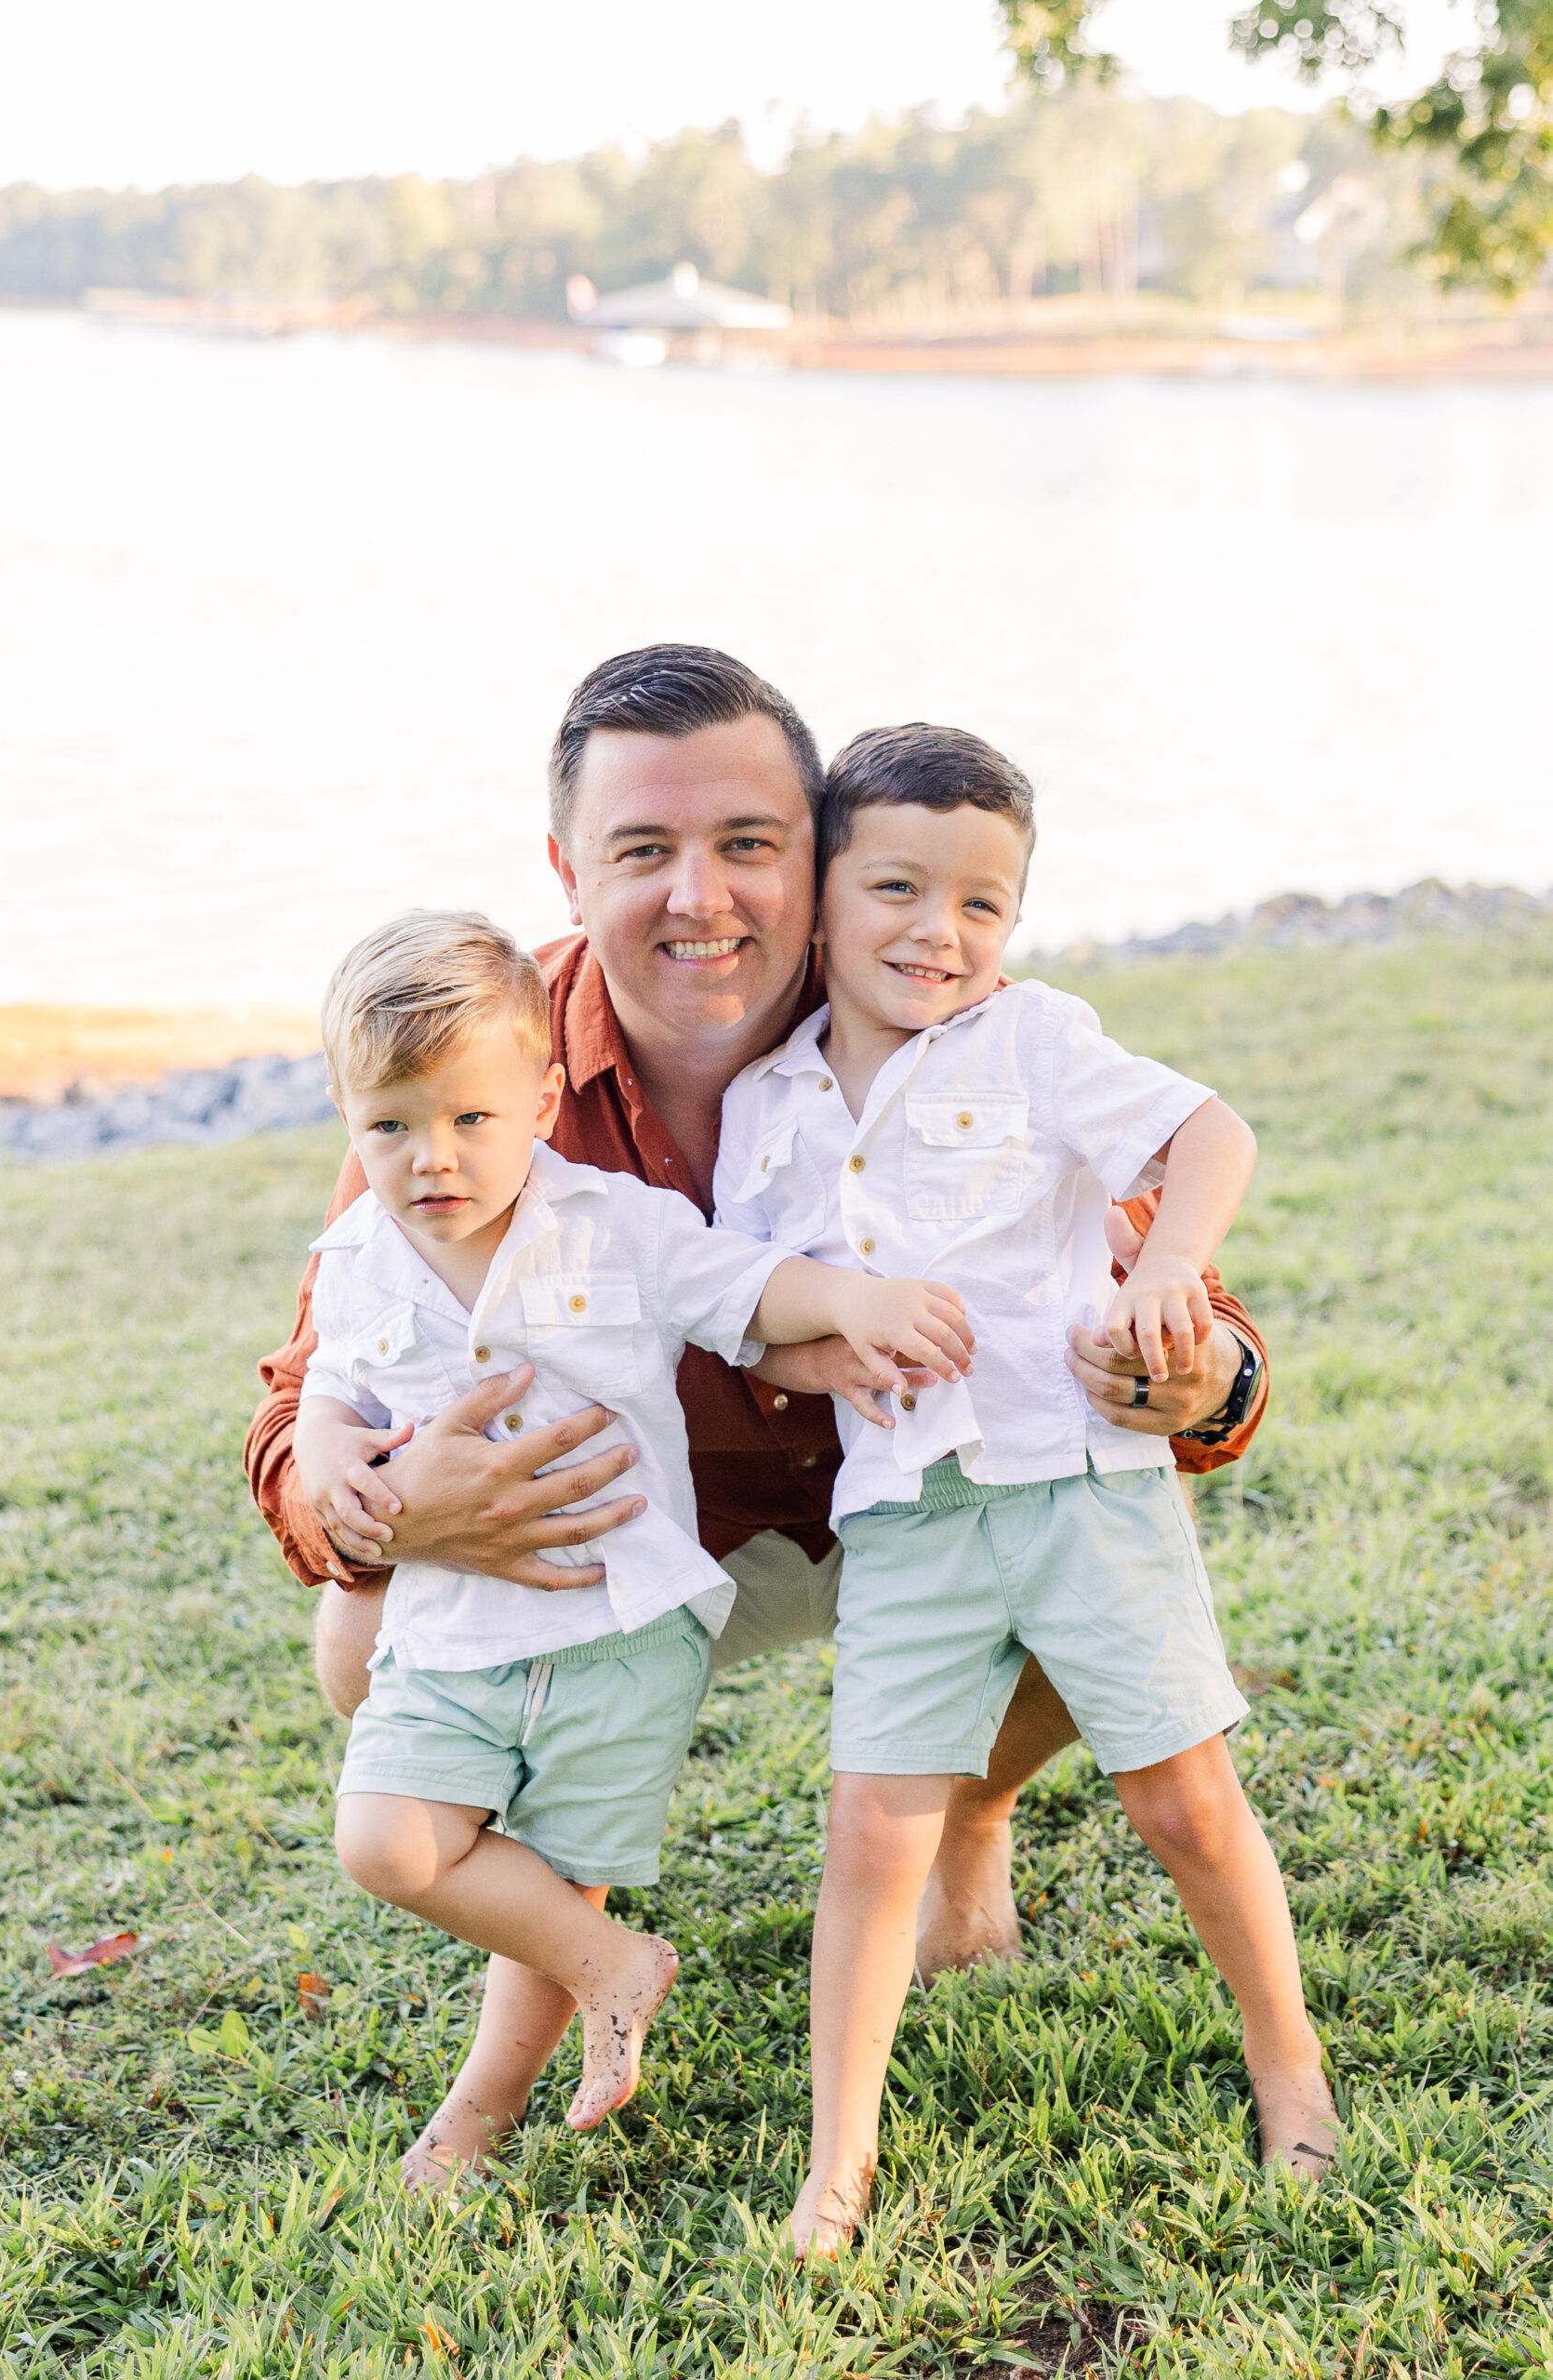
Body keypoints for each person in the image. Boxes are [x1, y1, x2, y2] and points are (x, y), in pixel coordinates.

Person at [245, 642, 1269, 2060]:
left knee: (1083, 1517)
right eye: (644, 848)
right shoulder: (476, 1070)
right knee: (360, 1634)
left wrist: (1202, 1376)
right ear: (568, 869)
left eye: (748, 845)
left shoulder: (931, 1006)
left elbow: (1186, 1294)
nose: (699, 897)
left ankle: (972, 1804)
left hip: (918, 1504)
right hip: (648, 1540)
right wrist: (353, 1493)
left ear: (824, 859)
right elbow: (307, 1391)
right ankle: (572, 1947)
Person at [713, 723, 1336, 2255]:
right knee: (874, 1830)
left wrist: (1172, 1269)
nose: (941, 932)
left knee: (1182, 1798)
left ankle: (1295, 2078)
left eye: (983, 904)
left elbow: (1210, 1132)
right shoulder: (767, 1103)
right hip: (908, 1516)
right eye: (902, 889)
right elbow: (744, 1319)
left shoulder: (1035, 1038)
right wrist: (824, 1357)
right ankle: (837, 2164)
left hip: (1083, 1488)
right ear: (822, 893)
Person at [299, 907, 976, 2181]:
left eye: (469, 1120)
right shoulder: (357, 1256)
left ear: (542, 1100)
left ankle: (476, 2118)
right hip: (453, 1629)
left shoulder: (613, 1224)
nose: (430, 1158)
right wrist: (336, 1457)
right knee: (386, 1843)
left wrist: (856, 1309)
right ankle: (615, 1967)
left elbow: (753, 1290)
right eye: (387, 1126)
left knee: (557, 1878)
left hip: (618, 1625)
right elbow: (332, 1388)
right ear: (346, 1120)